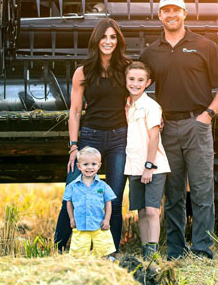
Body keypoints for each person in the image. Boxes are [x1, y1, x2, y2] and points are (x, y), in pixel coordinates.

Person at [140, 0, 218, 260]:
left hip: (197, 126)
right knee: (173, 194)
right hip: (166, 128)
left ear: (185, 14)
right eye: (165, 10)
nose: (171, 15)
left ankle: (203, 248)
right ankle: (175, 250)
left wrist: (207, 115)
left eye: (176, 10)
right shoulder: (151, 52)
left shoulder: (204, 46)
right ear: (159, 16)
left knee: (203, 190)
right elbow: (136, 85)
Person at [54, 18, 131, 253]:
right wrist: (74, 147)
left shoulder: (127, 68)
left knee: (114, 200)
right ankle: (58, 247)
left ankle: (110, 252)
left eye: (113, 37)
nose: (108, 41)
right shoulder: (83, 71)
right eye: (104, 37)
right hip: (90, 138)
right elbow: (75, 111)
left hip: (119, 138)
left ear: (118, 41)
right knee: (74, 194)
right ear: (96, 40)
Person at [124, 61, 170, 260]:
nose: (135, 83)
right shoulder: (128, 105)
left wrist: (149, 167)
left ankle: (153, 256)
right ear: (125, 80)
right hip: (133, 166)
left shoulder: (151, 106)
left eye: (140, 80)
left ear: (148, 82)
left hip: (152, 166)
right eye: (131, 79)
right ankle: (145, 252)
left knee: (152, 211)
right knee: (141, 212)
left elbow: (154, 137)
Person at [65, 147, 117, 258]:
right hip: (80, 225)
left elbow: (108, 202)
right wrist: (71, 218)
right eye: (85, 164)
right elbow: (68, 202)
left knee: (103, 250)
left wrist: (107, 219)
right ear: (79, 166)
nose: (89, 167)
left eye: (93, 164)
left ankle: (104, 263)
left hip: (99, 224)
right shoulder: (72, 186)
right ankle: (81, 264)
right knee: (78, 254)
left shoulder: (103, 186)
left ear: (99, 166)